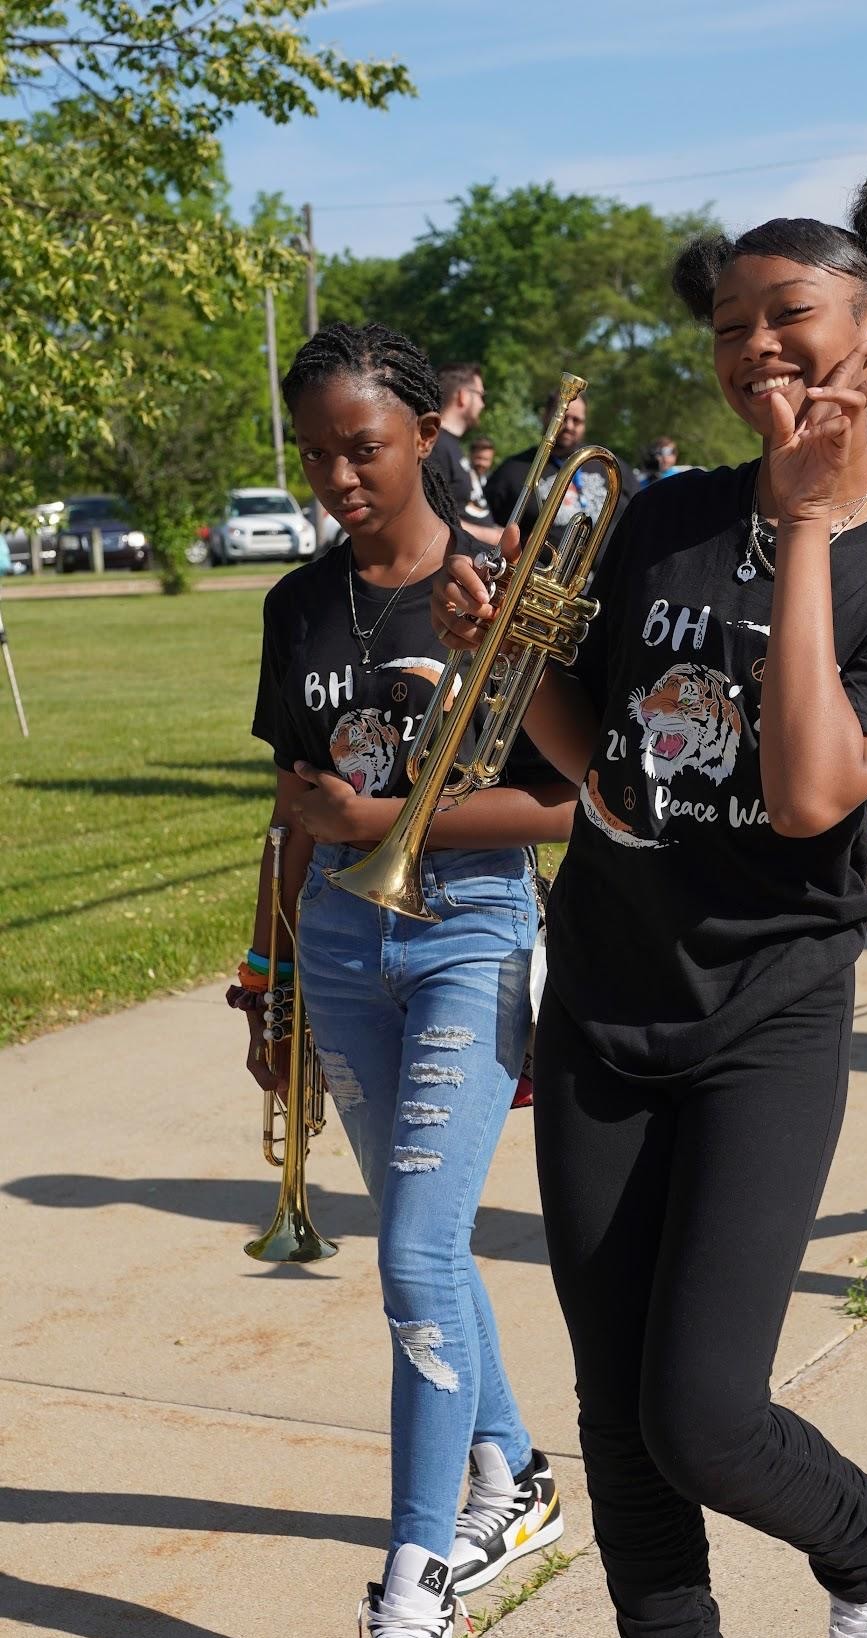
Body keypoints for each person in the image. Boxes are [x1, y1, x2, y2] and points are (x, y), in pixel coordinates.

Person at [437, 169, 867, 1638]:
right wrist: (505, 653)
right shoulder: (664, 518)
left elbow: (813, 794)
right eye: (730, 324)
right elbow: (595, 756)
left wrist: (804, 527)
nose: (754, 345)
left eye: (788, 314)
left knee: (701, 1413)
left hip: (765, 1019)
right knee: (617, 1419)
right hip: (603, 1009)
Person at [244, 322, 577, 1638]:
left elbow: (566, 803)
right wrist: (275, 978)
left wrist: (393, 824)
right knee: (429, 1246)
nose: (336, 475)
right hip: (337, 944)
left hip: (467, 936)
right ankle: (518, 1468)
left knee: (414, 1254)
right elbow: (289, 806)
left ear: (431, 430)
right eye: (317, 451)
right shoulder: (295, 604)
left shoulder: (502, 586)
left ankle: (414, 1577)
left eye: (363, 445)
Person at [483, 389, 635, 545]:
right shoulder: (512, 470)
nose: (569, 426)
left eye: (577, 421)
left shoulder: (609, 466)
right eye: (564, 418)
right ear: (545, 416)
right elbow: (486, 527)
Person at [425, 362, 502, 545]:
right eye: (481, 395)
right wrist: (494, 537)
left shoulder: (451, 445)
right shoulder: (435, 445)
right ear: (463, 396)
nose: (483, 404)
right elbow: (432, 518)